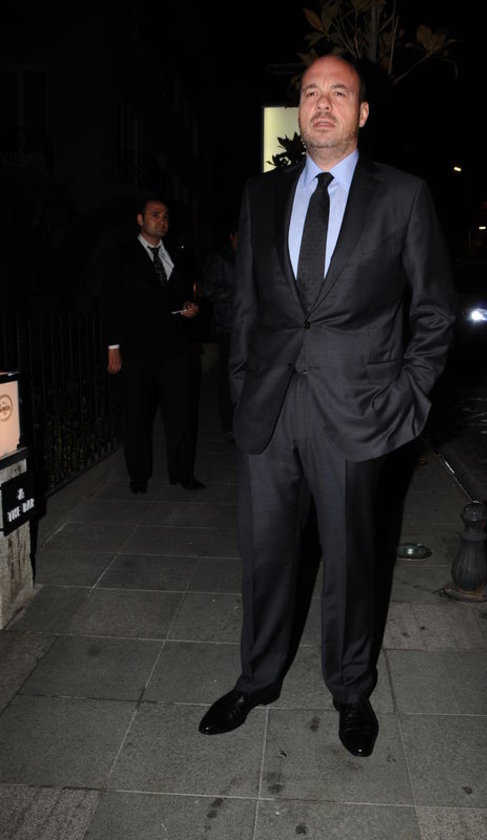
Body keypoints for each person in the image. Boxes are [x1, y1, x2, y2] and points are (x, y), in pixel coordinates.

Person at [198, 55, 455, 757]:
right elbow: (247, 307)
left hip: (356, 409)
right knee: (264, 556)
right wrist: (242, 386)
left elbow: (434, 312)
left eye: (338, 92)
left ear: (361, 112)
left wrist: (407, 396)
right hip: (269, 408)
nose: (321, 103)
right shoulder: (261, 194)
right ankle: (257, 678)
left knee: (349, 560)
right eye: (311, 91)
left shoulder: (403, 196)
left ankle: (350, 689)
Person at [103, 195, 205, 494]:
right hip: (137, 347)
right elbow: (111, 302)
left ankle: (182, 473)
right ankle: (138, 474)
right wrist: (113, 347)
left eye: (166, 216)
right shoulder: (122, 254)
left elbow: (183, 293)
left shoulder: (177, 253)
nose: (162, 220)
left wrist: (191, 307)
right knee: (137, 413)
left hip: (173, 346)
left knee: (179, 412)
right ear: (140, 219)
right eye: (155, 214)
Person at [201, 220, 238, 442]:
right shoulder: (219, 258)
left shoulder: (250, 255)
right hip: (227, 326)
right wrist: (238, 295)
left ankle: (244, 420)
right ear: (232, 236)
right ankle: (228, 423)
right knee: (227, 376)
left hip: (249, 327)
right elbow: (209, 290)